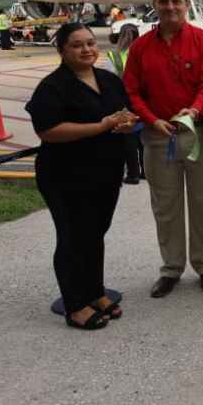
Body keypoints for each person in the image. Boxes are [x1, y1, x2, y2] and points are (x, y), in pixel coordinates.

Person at [25, 23, 138, 329]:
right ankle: (75, 305)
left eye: (90, 43)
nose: (87, 49)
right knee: (72, 237)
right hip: (64, 175)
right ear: (62, 50)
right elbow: (48, 130)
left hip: (105, 172)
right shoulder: (53, 86)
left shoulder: (108, 80)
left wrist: (126, 123)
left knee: (95, 233)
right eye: (77, 45)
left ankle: (95, 292)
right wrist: (100, 126)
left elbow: (123, 112)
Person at [123, 0, 203, 299]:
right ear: (154, 5)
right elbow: (132, 91)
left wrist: (193, 112)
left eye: (175, 1)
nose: (170, 7)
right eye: (163, 1)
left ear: (186, 3)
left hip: (199, 136)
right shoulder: (140, 47)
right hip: (158, 137)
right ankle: (171, 268)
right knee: (165, 207)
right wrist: (152, 120)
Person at [104, 23, 143, 184]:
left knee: (128, 137)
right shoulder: (144, 53)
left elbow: (108, 80)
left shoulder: (114, 56)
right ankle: (145, 171)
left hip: (123, 100)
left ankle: (133, 173)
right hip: (142, 99)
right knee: (142, 136)